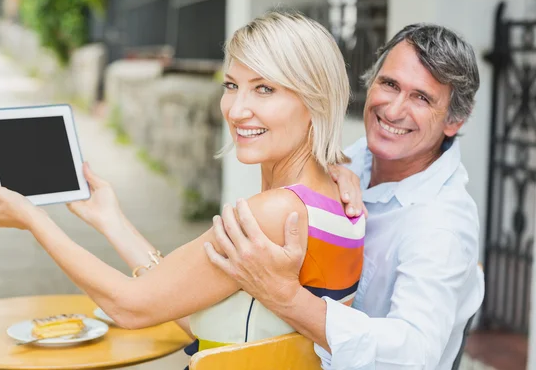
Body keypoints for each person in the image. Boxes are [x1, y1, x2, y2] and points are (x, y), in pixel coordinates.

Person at [0, 11, 365, 357]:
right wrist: (112, 221)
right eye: (231, 85)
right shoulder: (335, 198)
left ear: (316, 101)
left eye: (265, 88)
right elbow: (192, 313)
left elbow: (131, 307)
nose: (236, 109)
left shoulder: (275, 212)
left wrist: (34, 220)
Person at [204, 23, 485, 370]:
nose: (394, 110)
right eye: (390, 84)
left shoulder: (443, 224)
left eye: (421, 98)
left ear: (454, 121)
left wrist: (286, 298)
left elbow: (414, 354)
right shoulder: (354, 160)